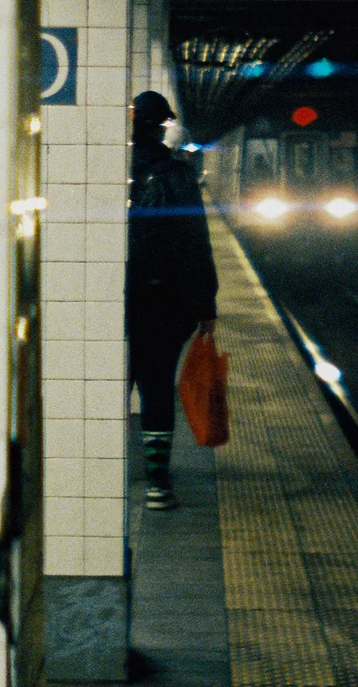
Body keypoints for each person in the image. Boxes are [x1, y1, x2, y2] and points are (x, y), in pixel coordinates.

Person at [125, 90, 218, 510]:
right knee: (157, 386)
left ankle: (101, 467)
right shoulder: (178, 175)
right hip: (165, 301)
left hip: (119, 296)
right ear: (162, 127)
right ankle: (158, 483)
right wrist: (206, 305)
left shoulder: (104, 168)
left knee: (110, 384)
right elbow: (197, 240)